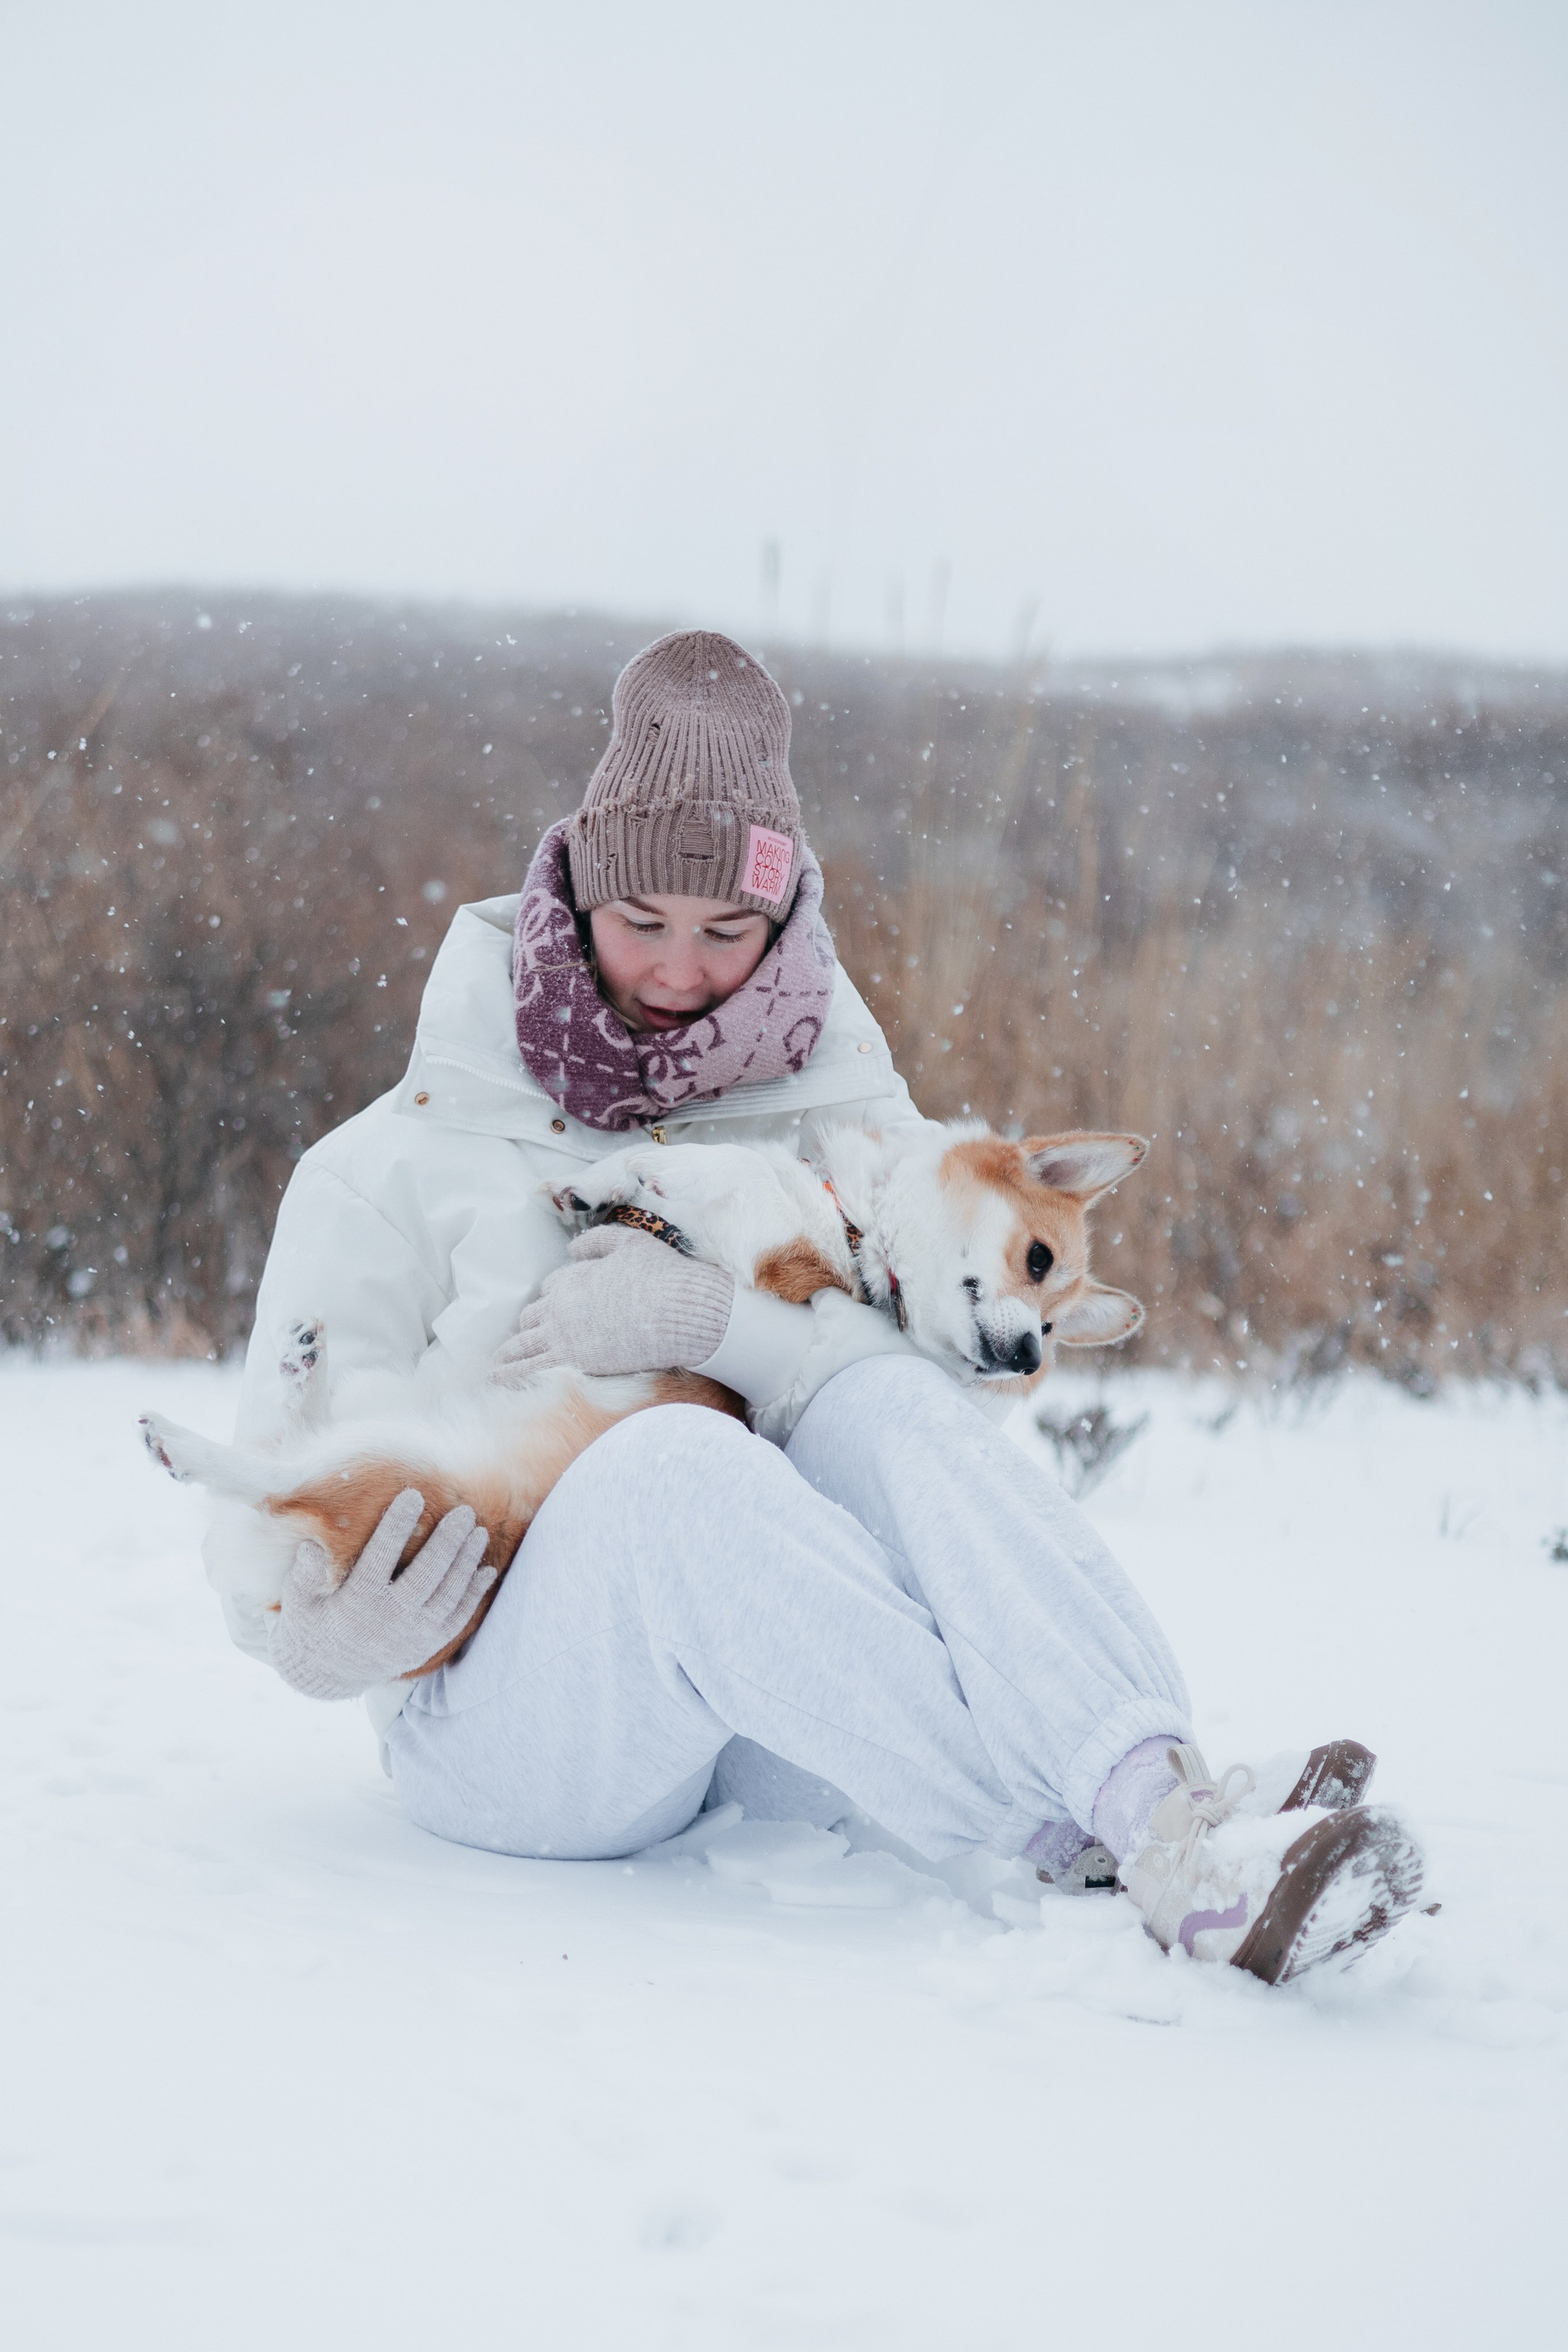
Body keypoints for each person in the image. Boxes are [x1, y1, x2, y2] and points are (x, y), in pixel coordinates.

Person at [211, 628, 1421, 1985]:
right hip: (515, 1733)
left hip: (797, 1713)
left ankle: (1162, 1806)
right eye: (642, 924)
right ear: (570, 900)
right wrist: (312, 1640)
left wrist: (708, 1328)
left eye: (727, 932)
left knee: (881, 1394)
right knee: (667, 1465)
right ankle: (1084, 1837)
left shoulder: (836, 1105)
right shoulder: (389, 1166)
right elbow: (261, 1492)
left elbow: (929, 1426)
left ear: (780, 924)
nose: (680, 970)